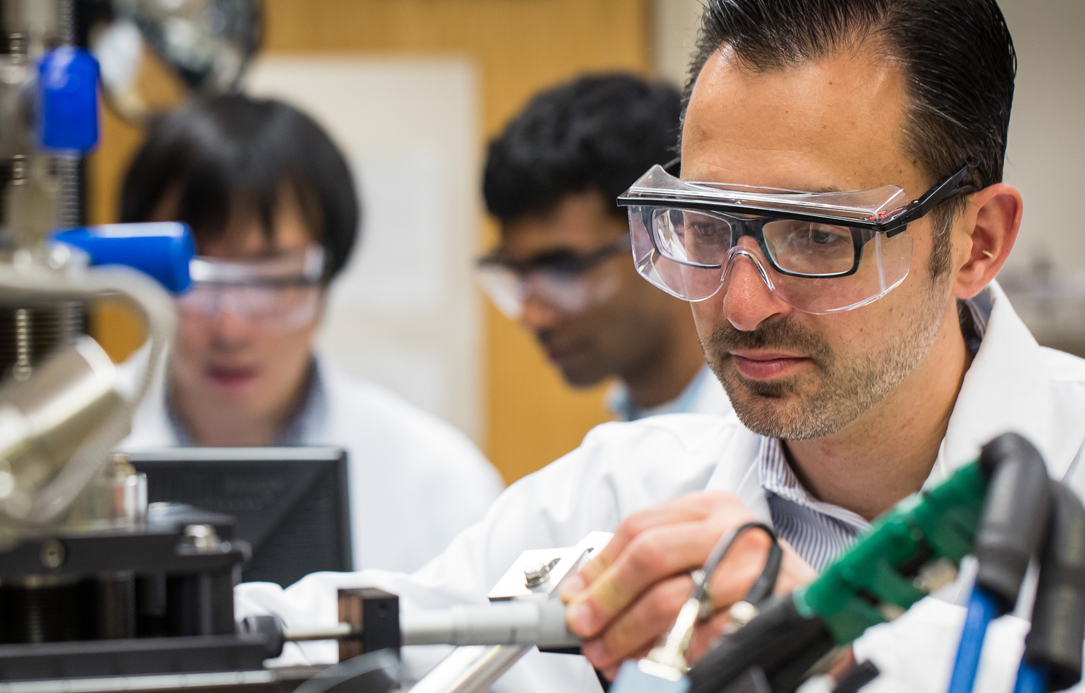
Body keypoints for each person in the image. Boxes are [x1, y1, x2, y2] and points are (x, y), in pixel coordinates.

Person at [234, 0, 1085, 691]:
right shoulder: (615, 494)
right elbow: (336, 634)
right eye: (708, 224)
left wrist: (829, 650)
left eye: (820, 236)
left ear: (976, 241)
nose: (742, 303)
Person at [116, 93, 504, 573]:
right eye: (194, 277)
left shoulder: (438, 482)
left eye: (270, 278)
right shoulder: (53, 465)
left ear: (327, 274)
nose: (230, 327)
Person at [479, 74, 730, 420]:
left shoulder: (774, 438)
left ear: (671, 236)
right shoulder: (629, 428)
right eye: (518, 275)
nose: (532, 316)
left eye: (562, 270)